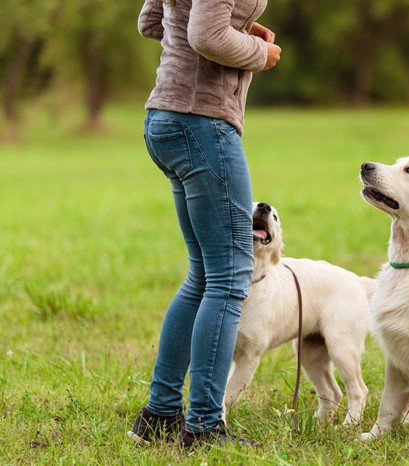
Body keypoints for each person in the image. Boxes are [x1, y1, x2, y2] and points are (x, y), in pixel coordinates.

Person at [127, 0, 281, 449]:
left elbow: (152, 21)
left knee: (203, 275)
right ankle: (204, 427)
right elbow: (207, 36)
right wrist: (256, 51)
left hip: (167, 118)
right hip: (202, 122)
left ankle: (159, 415)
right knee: (231, 276)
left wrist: (240, 25)